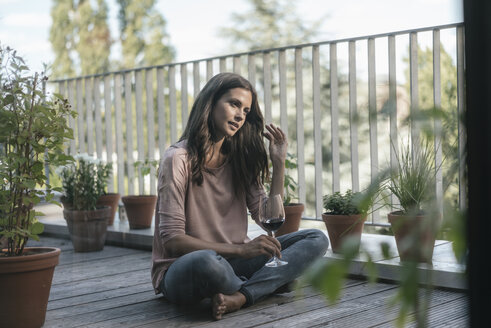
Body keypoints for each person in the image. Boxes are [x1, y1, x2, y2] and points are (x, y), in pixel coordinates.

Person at [151, 72, 329, 320]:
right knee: (207, 263)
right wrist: (242, 251)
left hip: (234, 262)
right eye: (234, 104)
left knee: (316, 238)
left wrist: (278, 164)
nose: (240, 116)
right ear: (210, 103)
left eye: (245, 111)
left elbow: (266, 216)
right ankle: (265, 286)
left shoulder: (240, 158)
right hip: (185, 268)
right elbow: (172, 240)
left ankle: (240, 295)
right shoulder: (177, 159)